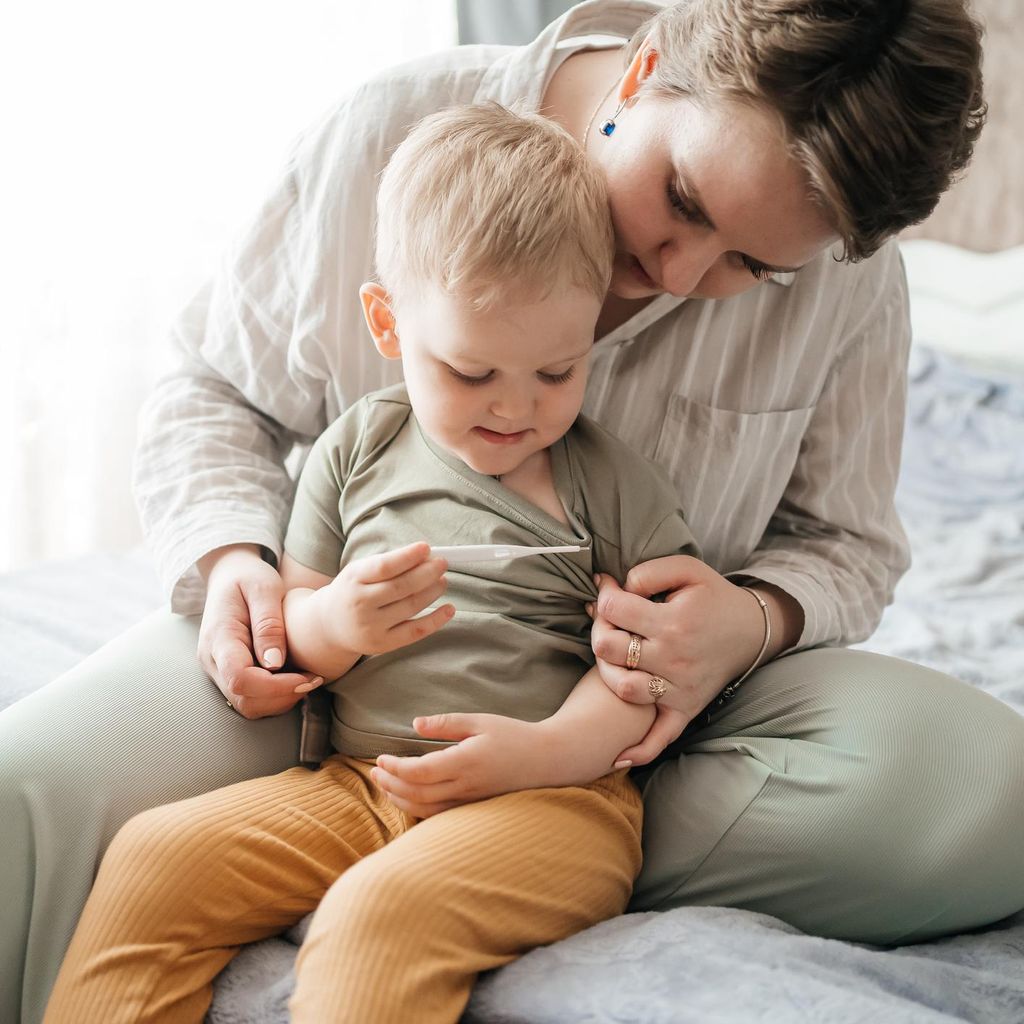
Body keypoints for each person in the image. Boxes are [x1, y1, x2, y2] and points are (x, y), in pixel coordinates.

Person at [4, 1, 1023, 1022]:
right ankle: (463, 850)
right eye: (682, 199)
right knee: (29, 792)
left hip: (654, 721)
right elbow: (213, 389)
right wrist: (243, 574)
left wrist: (746, 621)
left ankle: (520, 852)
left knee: (990, 788)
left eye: (752, 269)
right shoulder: (393, 132)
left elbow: (846, 544)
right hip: (351, 699)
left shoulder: (844, 283)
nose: (680, 275)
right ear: (645, 67)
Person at [44, 101, 709, 1022]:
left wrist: (549, 752)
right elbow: (298, 634)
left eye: (556, 372)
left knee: (377, 911)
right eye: (472, 372)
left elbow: (646, 666)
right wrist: (335, 626)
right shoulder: (355, 453)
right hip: (362, 787)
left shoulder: (609, 482)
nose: (516, 409)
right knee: (155, 856)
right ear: (389, 324)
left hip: (557, 805)